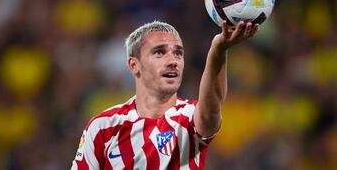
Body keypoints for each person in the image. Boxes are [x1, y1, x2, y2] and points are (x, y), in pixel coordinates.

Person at [71, 20, 259, 170]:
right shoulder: (104, 127)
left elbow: (210, 111)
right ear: (134, 65)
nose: (173, 61)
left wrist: (219, 50)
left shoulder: (188, 118)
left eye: (178, 54)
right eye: (159, 52)